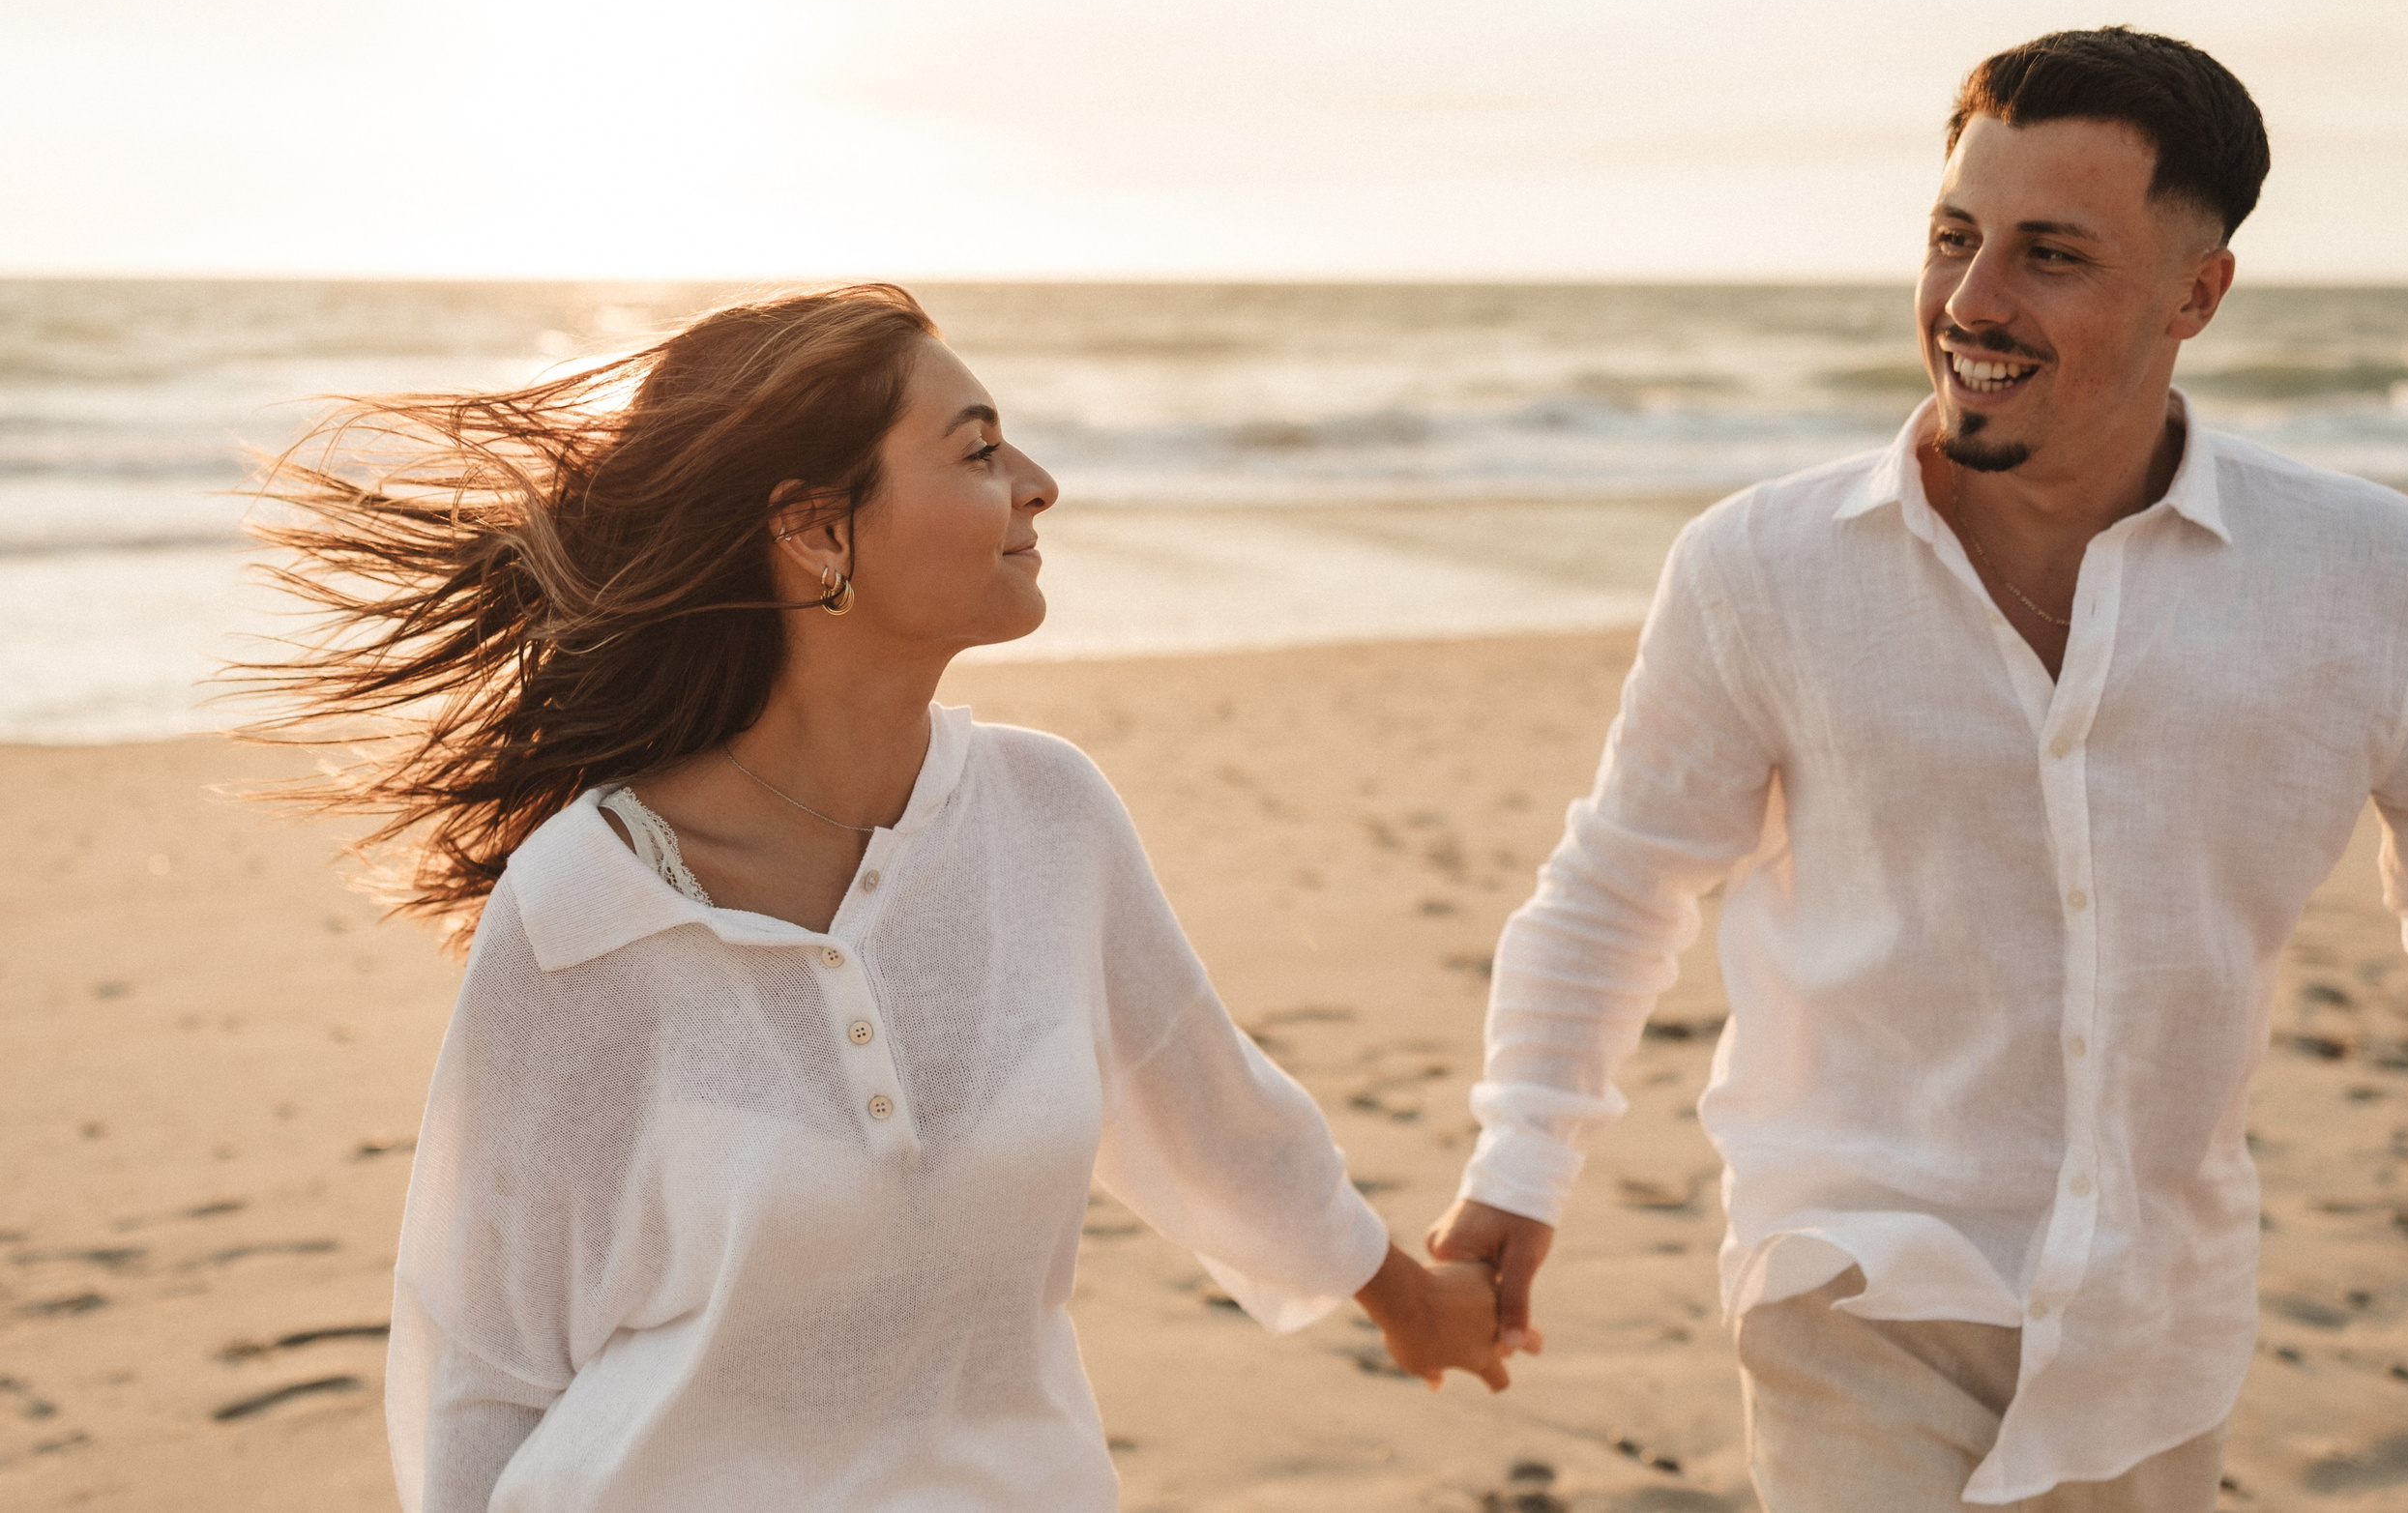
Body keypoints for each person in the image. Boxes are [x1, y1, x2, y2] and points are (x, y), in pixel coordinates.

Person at [1424, 27, 2408, 1509]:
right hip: (1851, 1284)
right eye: (1952, 237)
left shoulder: (2366, 576)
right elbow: (1619, 880)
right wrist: (1522, 1158)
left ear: (2199, 291)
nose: (1969, 303)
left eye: (2050, 254)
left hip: (2157, 1320)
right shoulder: (1762, 568)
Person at [243, 284, 1506, 1512]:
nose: (1038, 484)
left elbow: (1210, 1114)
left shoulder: (1045, 815)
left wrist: (1406, 1291)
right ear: (816, 528)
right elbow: (484, 1364)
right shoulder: (583, 910)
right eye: (978, 451)